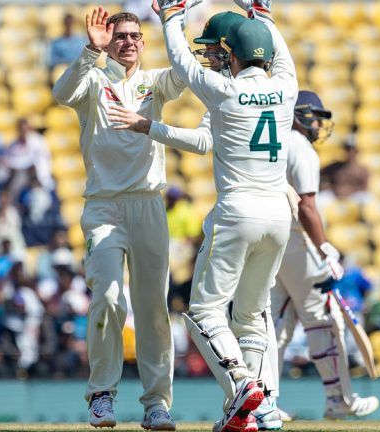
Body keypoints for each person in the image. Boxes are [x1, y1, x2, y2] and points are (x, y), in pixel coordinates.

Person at [151, 1, 296, 431]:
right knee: (252, 314)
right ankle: (262, 409)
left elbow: (179, 59)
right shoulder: (287, 87)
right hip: (278, 214)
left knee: (203, 312)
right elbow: (280, 54)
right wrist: (264, 15)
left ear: (231, 54)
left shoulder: (224, 90)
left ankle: (240, 383)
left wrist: (171, 15)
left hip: (238, 211)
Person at [52, 5, 191, 429]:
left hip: (149, 205)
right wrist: (87, 52)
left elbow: (185, 75)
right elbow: (61, 94)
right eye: (120, 36)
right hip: (104, 206)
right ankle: (102, 394)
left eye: (134, 36)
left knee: (152, 309)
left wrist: (173, 23)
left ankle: (156, 404)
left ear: (142, 42)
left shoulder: (154, 82)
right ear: (107, 42)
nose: (128, 42)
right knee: (109, 298)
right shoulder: (92, 78)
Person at [271, 90, 379, 420]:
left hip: (270, 244)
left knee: (274, 328)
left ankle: (262, 403)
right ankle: (339, 399)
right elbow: (306, 206)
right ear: (300, 115)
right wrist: (325, 248)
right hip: (298, 245)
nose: (319, 124)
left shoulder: (272, 143)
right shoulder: (300, 148)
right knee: (324, 321)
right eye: (315, 116)